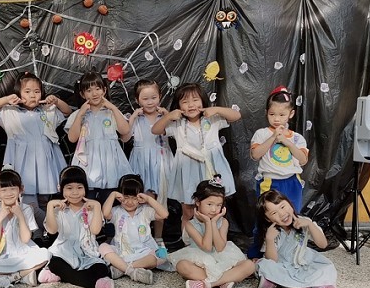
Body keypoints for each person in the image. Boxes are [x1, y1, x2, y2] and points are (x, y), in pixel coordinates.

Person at [0, 72, 72, 245]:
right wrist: (7, 99)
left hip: (45, 162)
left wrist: (56, 101)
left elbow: (67, 111)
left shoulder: (47, 111)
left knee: (43, 201)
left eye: (37, 91)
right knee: (28, 203)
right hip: (21, 162)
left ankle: (44, 235)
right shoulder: (9, 112)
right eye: (27, 91)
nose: (33, 95)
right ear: (18, 93)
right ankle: (47, 231)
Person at [151, 83, 241, 233]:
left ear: (203, 101)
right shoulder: (177, 124)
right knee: (188, 211)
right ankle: (189, 242)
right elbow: (155, 130)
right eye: (185, 102)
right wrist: (169, 116)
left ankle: (214, 240)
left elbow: (236, 115)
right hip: (188, 172)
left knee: (214, 208)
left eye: (195, 100)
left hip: (211, 170)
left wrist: (216, 109)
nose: (191, 105)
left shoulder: (213, 119)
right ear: (179, 106)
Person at [65, 71, 133, 239]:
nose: (94, 93)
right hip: (88, 162)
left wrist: (112, 107)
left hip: (110, 162)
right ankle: (88, 236)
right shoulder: (79, 114)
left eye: (97, 89)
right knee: (87, 199)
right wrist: (80, 114)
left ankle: (110, 238)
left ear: (104, 90)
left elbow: (125, 131)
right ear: (82, 94)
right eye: (88, 90)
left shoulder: (111, 112)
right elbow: (72, 138)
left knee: (110, 198)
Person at [167, 176, 255, 288]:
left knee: (249, 265)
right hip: (200, 258)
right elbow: (207, 247)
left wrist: (213, 223)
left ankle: (209, 285)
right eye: (209, 204)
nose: (214, 209)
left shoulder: (223, 222)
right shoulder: (190, 225)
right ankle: (226, 281)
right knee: (182, 266)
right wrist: (207, 223)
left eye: (218, 205)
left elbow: (219, 247)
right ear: (197, 202)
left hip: (222, 257)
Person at [248, 85, 308, 259]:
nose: (276, 119)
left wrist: (287, 142)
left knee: (293, 217)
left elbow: (303, 160)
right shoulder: (261, 134)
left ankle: (293, 253)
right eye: (272, 114)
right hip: (270, 182)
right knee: (265, 218)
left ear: (291, 114)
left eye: (282, 115)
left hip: (292, 182)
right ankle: (258, 254)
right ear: (266, 113)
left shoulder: (297, 138)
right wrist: (273, 137)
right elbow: (255, 155)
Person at [37, 166, 116, 288]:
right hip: (64, 252)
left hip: (87, 251)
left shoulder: (91, 208)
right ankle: (94, 283)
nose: (75, 192)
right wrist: (50, 206)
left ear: (85, 188)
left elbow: (95, 231)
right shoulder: (58, 209)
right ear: (61, 189)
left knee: (101, 268)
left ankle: (62, 275)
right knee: (55, 263)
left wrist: (97, 206)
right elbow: (52, 230)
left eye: (79, 187)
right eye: (69, 188)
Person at [255, 190, 339, 288]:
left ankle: (274, 282)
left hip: (302, 262)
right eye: (274, 213)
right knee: (263, 264)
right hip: (282, 266)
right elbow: (272, 260)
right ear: (267, 219)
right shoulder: (271, 232)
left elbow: (323, 244)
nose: (282, 214)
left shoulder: (304, 221)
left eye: (282, 207)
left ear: (289, 203)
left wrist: (310, 225)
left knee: (326, 267)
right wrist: (269, 239)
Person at [0, 168, 50, 288]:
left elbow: (25, 239)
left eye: (13, 189)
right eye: (3, 190)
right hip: (1, 254)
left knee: (46, 255)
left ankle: (11, 277)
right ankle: (24, 276)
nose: (9, 193)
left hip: (23, 252)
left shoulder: (26, 209)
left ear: (21, 189)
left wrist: (20, 215)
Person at [127, 79, 174, 247]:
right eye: (145, 99)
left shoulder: (164, 117)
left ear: (160, 97)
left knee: (160, 201)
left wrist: (167, 114)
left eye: (153, 97)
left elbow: (176, 132)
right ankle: (142, 237)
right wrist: (133, 116)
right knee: (142, 199)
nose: (150, 102)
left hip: (161, 161)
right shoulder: (136, 119)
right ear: (137, 100)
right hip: (142, 162)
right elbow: (125, 137)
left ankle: (158, 237)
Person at [99, 174, 170, 285]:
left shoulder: (145, 211)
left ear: (140, 197)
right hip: (122, 251)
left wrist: (148, 199)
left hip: (144, 251)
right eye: (126, 197)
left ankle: (122, 269)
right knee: (103, 247)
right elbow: (105, 213)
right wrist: (112, 195)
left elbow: (164, 214)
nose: (130, 202)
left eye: (134, 198)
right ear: (120, 196)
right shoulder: (117, 211)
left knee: (162, 254)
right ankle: (133, 271)